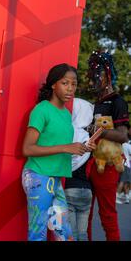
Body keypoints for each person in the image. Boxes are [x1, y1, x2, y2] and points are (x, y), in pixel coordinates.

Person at [21, 63, 96, 241]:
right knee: (37, 232)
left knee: (64, 233)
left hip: (55, 180)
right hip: (38, 176)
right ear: (53, 84)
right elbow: (27, 148)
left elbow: (60, 146)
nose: (70, 88)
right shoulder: (42, 110)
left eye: (74, 84)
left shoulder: (66, 115)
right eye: (65, 83)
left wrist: (82, 147)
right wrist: (66, 147)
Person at [86, 51, 129, 241]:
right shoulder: (95, 102)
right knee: (83, 213)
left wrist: (97, 130)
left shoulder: (118, 101)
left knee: (107, 214)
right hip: (87, 163)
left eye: (95, 76)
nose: (92, 82)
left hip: (108, 166)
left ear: (107, 74)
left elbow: (123, 135)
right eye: (91, 77)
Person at [64, 98, 94, 241]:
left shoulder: (69, 133)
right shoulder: (89, 138)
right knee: (83, 234)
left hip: (70, 187)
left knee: (71, 234)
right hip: (87, 190)